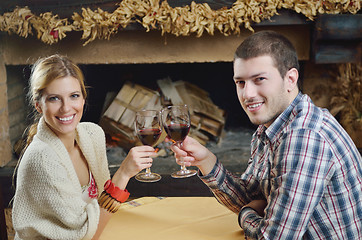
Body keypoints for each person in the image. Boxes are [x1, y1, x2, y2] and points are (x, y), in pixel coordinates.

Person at [170, 30, 362, 239]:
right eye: (240, 82)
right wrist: (206, 160)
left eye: (259, 79)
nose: (247, 94)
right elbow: (252, 196)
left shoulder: (304, 138)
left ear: (290, 79)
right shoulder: (272, 127)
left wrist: (246, 215)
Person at [12, 54, 158, 239]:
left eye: (74, 96)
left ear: (83, 98)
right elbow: (84, 236)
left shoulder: (92, 135)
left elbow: (101, 205)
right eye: (54, 98)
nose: (66, 108)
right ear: (38, 105)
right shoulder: (43, 158)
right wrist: (123, 174)